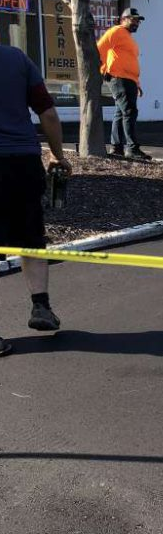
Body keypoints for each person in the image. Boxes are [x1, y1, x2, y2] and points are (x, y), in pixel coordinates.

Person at [0, 44, 73, 356]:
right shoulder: (16, 59)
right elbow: (48, 113)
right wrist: (59, 156)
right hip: (21, 162)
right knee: (30, 238)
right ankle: (40, 306)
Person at [97, 7, 151, 161]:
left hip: (129, 80)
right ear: (123, 19)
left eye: (138, 21)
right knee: (130, 111)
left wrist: (137, 83)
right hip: (118, 77)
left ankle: (116, 147)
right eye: (133, 19)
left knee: (120, 112)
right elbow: (99, 49)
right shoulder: (116, 31)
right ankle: (132, 149)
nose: (136, 23)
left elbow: (130, 61)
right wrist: (103, 69)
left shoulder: (128, 38)